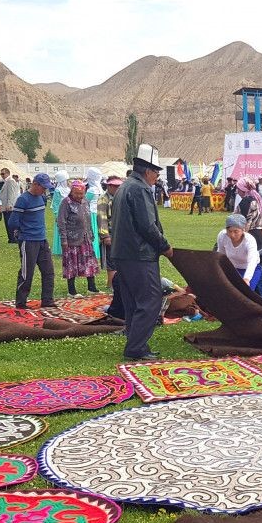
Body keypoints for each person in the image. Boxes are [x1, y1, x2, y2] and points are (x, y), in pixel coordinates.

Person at [110, 144, 173, 361]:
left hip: (123, 253)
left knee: (132, 300)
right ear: (148, 171)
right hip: (139, 255)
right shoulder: (140, 189)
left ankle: (133, 337)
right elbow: (147, 226)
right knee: (150, 299)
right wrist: (164, 246)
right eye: (156, 172)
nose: (157, 176)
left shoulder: (126, 186)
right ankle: (136, 347)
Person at [9, 173, 57, 307]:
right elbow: (13, 221)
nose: (44, 190)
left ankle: (47, 300)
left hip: (42, 239)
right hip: (28, 240)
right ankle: (21, 302)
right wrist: (20, 232)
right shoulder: (23, 199)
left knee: (49, 271)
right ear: (35, 184)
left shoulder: (42, 198)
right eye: (43, 187)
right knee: (27, 272)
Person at [57, 180, 100, 297]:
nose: (79, 196)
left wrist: (91, 234)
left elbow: (88, 218)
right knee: (71, 264)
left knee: (89, 262)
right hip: (72, 239)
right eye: (77, 194)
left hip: (85, 237)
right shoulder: (66, 203)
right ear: (71, 191)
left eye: (82, 194)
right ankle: (72, 290)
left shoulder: (85, 201)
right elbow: (61, 222)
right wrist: (64, 239)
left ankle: (92, 287)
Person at [216, 213, 262, 288]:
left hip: (250, 268)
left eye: (236, 231)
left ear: (243, 230)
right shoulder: (222, 236)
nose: (232, 235)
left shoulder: (249, 240)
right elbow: (221, 256)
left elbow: (252, 261)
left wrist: (246, 279)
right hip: (233, 268)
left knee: (246, 291)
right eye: (229, 231)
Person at [96, 175, 122, 288]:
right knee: (111, 261)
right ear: (109, 186)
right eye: (115, 186)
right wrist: (105, 235)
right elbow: (102, 218)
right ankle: (110, 284)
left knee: (119, 260)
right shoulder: (103, 199)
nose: (118, 188)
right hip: (110, 234)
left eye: (119, 186)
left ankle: (118, 284)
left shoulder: (119, 197)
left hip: (120, 234)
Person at [84, 168, 103, 258]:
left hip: (90, 212)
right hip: (97, 212)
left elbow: (85, 201)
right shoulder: (100, 189)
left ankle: (92, 249)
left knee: (91, 231)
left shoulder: (91, 190)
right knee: (96, 231)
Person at [0, 168, 21, 243]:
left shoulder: (10, 181)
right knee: (7, 223)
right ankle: (11, 238)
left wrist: (9, 204)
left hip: (8, 207)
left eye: (3, 174)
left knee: (10, 223)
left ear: (8, 173)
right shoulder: (6, 181)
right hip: (5, 206)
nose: (2, 175)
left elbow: (11, 194)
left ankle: (13, 238)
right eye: (1, 174)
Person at [51, 171, 69, 256]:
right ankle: (59, 249)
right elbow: (55, 203)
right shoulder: (58, 191)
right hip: (60, 213)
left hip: (68, 213)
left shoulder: (68, 190)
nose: (67, 182)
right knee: (60, 230)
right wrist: (57, 214)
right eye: (66, 180)